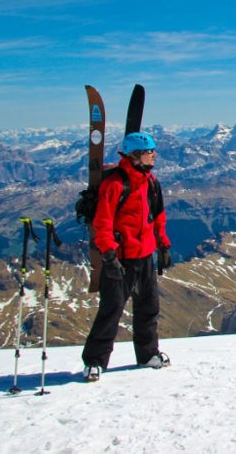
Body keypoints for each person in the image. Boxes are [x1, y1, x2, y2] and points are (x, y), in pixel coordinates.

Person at [82, 131, 172, 382]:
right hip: (120, 259)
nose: (154, 154)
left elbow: (158, 217)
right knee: (111, 310)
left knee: (148, 309)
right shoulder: (116, 184)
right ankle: (94, 362)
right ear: (135, 155)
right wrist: (109, 256)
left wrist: (163, 246)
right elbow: (103, 223)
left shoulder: (151, 183)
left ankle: (147, 355)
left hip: (145, 257)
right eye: (149, 151)